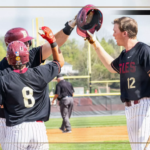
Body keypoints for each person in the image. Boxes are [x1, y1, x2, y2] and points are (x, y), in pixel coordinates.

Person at [0, 16, 76, 148]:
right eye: (25, 43)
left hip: (17, 125)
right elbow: (58, 60)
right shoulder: (5, 70)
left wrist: (70, 26)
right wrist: (52, 41)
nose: (29, 45)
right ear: (12, 45)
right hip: (9, 121)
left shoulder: (30, 57)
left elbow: (55, 42)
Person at [86, 16, 150, 150]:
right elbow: (110, 66)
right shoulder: (124, 55)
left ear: (125, 33)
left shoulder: (144, 50)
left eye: (115, 31)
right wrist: (95, 44)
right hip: (130, 109)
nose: (113, 34)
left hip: (144, 107)